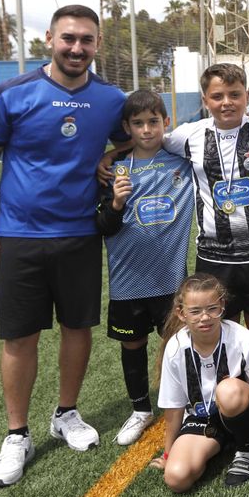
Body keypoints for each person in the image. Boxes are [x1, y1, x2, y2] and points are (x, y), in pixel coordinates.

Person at [0, 5, 128, 488]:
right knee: (20, 337)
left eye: (86, 40)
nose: (76, 48)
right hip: (20, 236)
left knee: (77, 328)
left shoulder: (110, 99)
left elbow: (133, 140)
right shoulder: (11, 95)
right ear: (49, 39)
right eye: (68, 38)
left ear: (98, 44)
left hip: (81, 234)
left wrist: (109, 154)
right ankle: (17, 435)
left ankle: (66, 413)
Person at [160, 63, 249, 424]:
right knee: (220, 326)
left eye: (235, 95)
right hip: (215, 255)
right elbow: (150, 138)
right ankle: (222, 393)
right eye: (218, 96)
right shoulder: (188, 136)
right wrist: (111, 157)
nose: (227, 102)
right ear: (205, 100)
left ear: (247, 96)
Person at [94, 89, 195, 446]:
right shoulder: (113, 172)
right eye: (138, 123)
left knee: (178, 344)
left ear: (166, 123)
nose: (147, 130)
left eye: (154, 121)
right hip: (128, 281)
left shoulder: (183, 161)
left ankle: (185, 406)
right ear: (127, 127)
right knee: (132, 346)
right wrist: (118, 203)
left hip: (170, 280)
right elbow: (103, 226)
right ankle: (140, 409)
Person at [154, 274, 249, 492]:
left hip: (241, 408)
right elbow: (174, 406)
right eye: (195, 311)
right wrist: (168, 454)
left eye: (212, 308)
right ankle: (221, 443)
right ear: (181, 313)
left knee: (228, 390)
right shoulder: (175, 347)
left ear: (222, 306)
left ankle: (247, 451)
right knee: (177, 479)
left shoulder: (245, 340)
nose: (204, 317)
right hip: (203, 418)